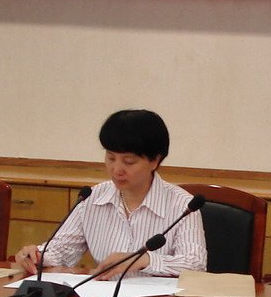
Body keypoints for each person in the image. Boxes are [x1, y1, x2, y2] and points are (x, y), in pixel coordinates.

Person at [15, 109, 206, 280]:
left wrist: (145, 259)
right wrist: (37, 255)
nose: (116, 169)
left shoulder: (183, 206)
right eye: (111, 157)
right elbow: (62, 251)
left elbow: (195, 265)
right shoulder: (92, 198)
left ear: (155, 161)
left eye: (129, 161)